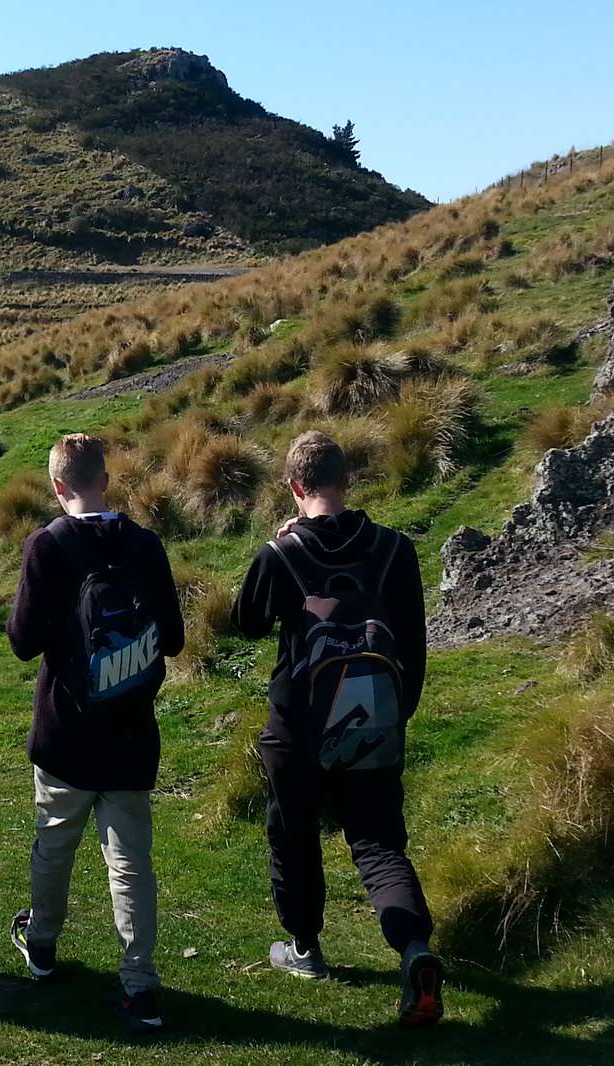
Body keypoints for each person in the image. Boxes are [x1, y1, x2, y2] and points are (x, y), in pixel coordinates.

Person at [232, 430, 443, 1028]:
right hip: (374, 720)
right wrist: (396, 715)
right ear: (347, 481)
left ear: (295, 486)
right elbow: (414, 643)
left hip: (297, 728)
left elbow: (246, 622)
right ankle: (414, 949)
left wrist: (279, 546)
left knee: (294, 835)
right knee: (378, 843)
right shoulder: (395, 549)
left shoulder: (282, 555)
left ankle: (305, 947)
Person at [5, 433, 184, 1033]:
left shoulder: (47, 546)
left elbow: (22, 641)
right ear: (105, 479)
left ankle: (43, 943)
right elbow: (174, 639)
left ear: (58, 486)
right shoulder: (145, 544)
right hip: (131, 731)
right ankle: (139, 984)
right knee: (129, 863)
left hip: (66, 730)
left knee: (54, 844)